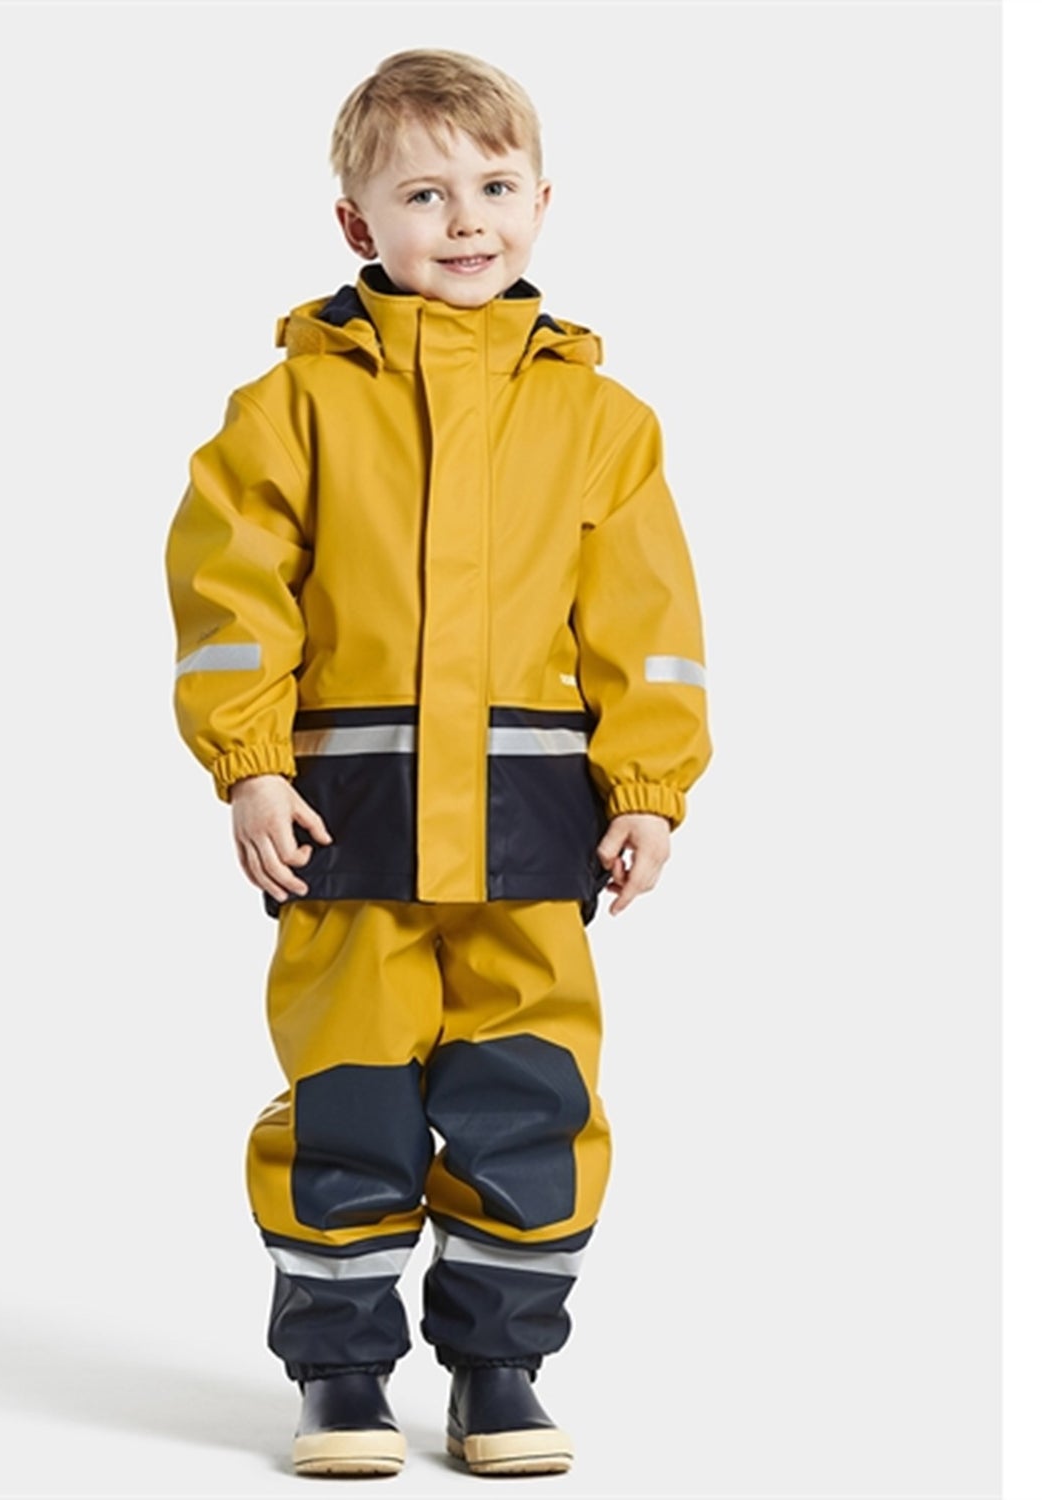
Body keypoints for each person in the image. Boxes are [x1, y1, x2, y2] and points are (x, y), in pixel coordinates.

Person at [165, 48, 712, 1478]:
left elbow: (649, 628)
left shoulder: (603, 422)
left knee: (531, 1102)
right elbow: (231, 605)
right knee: (346, 1105)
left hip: (534, 834)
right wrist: (250, 766)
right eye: (423, 193)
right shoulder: (289, 407)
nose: (466, 219)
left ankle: (499, 1368)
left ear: (542, 201)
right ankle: (341, 1375)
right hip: (347, 829)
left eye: (495, 186)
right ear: (357, 222)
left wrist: (650, 788)